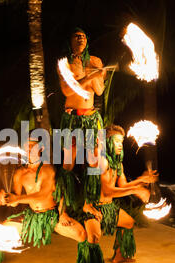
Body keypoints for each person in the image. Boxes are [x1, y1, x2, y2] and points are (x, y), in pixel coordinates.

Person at [0, 138, 87, 263]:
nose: (29, 150)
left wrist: (62, 213)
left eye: (33, 147)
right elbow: (15, 201)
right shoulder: (19, 173)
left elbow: (43, 194)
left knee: (82, 235)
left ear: (40, 150)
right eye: (26, 148)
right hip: (33, 216)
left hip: (53, 215)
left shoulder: (48, 168)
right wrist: (4, 197)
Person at [76, 124, 158, 263]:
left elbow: (123, 185)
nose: (121, 145)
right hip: (94, 208)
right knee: (93, 237)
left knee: (128, 222)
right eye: (116, 141)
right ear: (106, 142)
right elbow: (108, 191)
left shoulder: (117, 163)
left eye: (122, 142)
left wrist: (140, 180)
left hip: (109, 207)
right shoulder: (102, 160)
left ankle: (118, 255)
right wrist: (136, 190)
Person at [55, 27, 107, 214]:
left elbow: (99, 90)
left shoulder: (95, 61)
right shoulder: (65, 64)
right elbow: (67, 91)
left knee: (93, 160)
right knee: (68, 163)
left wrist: (94, 75)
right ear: (70, 41)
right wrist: (89, 77)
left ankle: (90, 203)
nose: (80, 39)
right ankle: (63, 206)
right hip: (72, 118)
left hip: (91, 116)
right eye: (76, 36)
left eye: (84, 36)